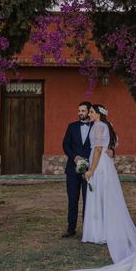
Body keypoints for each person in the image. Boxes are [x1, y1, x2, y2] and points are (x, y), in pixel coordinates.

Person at [41, 104, 136, 271]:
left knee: (94, 199)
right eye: (83, 111)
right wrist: (77, 158)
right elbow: (67, 145)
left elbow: (103, 146)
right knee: (76, 199)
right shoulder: (76, 126)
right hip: (78, 166)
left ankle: (96, 230)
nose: (85, 114)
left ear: (96, 113)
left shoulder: (98, 125)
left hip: (96, 165)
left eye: (88, 111)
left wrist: (109, 152)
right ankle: (74, 228)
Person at [60, 101, 93, 238]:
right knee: (73, 199)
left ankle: (88, 229)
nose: (80, 113)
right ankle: (71, 228)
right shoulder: (72, 126)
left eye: (83, 111)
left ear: (89, 111)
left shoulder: (96, 127)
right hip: (73, 168)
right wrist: (74, 157)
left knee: (88, 199)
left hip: (90, 169)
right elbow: (65, 145)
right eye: (79, 111)